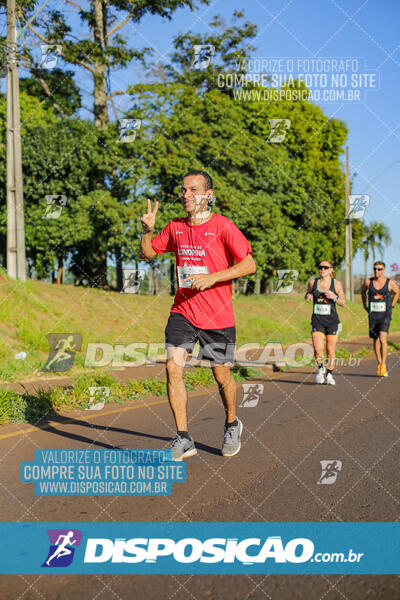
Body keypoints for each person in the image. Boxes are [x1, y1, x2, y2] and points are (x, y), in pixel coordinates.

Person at [140, 170, 256, 460]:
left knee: (221, 376)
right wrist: (147, 231)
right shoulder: (176, 227)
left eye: (193, 190)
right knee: (172, 367)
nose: (186, 195)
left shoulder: (223, 226)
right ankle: (183, 437)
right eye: (183, 190)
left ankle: (232, 423)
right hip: (184, 310)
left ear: (208, 195)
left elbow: (249, 264)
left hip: (218, 315)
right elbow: (147, 254)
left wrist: (214, 277)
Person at [305, 261, 345, 385]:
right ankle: (321, 369)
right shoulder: (313, 282)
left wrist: (334, 297)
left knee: (331, 351)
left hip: (332, 322)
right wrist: (308, 296)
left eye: (325, 267)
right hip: (317, 321)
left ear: (331, 270)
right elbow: (308, 293)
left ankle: (329, 375)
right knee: (318, 348)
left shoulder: (337, 284)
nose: (322, 269)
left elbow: (343, 303)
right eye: (320, 267)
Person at [361, 261, 399, 376]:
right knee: (376, 340)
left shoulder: (390, 283)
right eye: (375, 269)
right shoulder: (368, 282)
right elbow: (363, 292)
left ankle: (384, 364)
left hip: (385, 315)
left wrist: (392, 305)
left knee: (383, 338)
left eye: (379, 269)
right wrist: (365, 305)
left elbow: (397, 292)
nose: (377, 271)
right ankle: (379, 363)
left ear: (384, 270)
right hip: (373, 315)